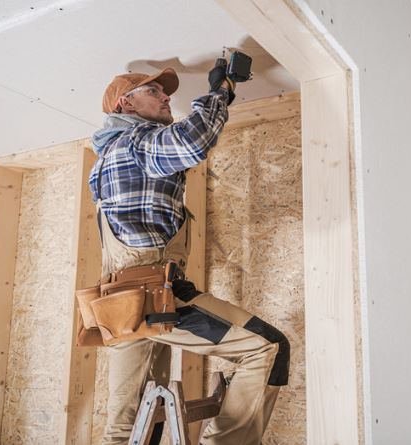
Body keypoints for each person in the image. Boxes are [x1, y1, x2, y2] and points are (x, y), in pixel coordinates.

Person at [89, 66, 289, 445]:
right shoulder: (134, 142)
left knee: (130, 424)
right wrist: (221, 91)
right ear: (125, 103)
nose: (166, 97)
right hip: (154, 296)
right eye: (154, 91)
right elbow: (192, 142)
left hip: (120, 306)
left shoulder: (107, 159)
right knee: (267, 347)